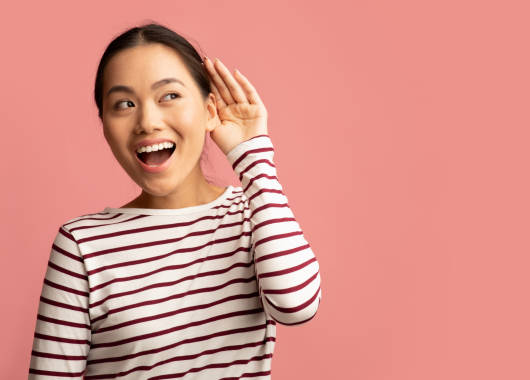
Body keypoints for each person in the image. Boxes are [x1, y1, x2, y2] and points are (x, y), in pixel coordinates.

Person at [28, 22, 322, 379]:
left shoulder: (256, 219)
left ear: (210, 111)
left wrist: (254, 155)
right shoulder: (82, 246)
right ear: (104, 125)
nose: (147, 121)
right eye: (124, 104)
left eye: (169, 95)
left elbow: (296, 305)